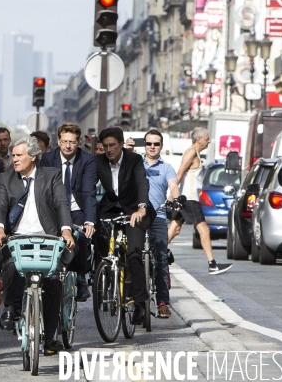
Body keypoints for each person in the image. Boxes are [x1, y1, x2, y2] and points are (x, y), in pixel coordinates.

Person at [0, 135, 75, 354]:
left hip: (47, 239)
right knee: (10, 268)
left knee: (53, 282)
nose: (14, 160)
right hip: (18, 238)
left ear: (34, 156)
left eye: (19, 155)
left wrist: (66, 229)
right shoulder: (5, 179)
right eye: (12, 156)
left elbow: (61, 203)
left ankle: (49, 338)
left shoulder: (52, 175)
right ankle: (12, 308)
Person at [96, 127, 155, 326]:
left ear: (121, 144)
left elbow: (141, 183)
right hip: (110, 209)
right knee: (97, 241)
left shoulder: (134, 160)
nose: (109, 149)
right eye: (105, 146)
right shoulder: (98, 162)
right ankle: (104, 277)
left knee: (134, 254)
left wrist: (141, 207)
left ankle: (140, 302)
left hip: (133, 211)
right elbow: (88, 188)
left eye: (112, 145)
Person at [40, 122, 97, 302]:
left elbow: (88, 192)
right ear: (58, 141)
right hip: (53, 210)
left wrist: (89, 221)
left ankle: (80, 279)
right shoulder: (48, 159)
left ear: (78, 142)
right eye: (64, 141)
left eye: (72, 142)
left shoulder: (87, 160)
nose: (67, 146)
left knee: (80, 236)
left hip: (76, 209)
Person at [169, 127, 233, 275]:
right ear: (199, 140)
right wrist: (172, 194)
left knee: (175, 228)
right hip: (189, 199)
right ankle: (212, 265)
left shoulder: (195, 153)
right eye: (207, 138)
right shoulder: (191, 152)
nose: (209, 141)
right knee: (204, 229)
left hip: (187, 198)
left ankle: (154, 254)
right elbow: (179, 173)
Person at [141, 129, 182, 319]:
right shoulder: (137, 164)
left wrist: (177, 198)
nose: (152, 147)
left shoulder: (166, 167)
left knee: (161, 258)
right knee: (132, 257)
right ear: (144, 145)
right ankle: (136, 302)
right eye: (149, 143)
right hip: (138, 216)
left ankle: (162, 302)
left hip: (157, 216)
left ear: (161, 146)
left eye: (156, 144)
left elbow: (173, 185)